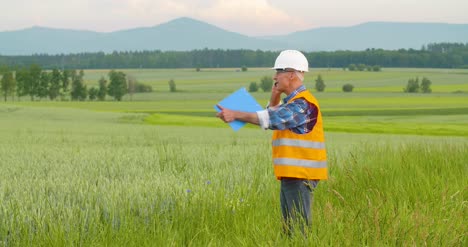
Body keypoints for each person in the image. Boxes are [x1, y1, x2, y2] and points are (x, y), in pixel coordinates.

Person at [216, 50, 328, 235]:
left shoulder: (303, 104)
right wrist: (275, 93)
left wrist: (235, 114)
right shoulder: (293, 102)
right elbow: (273, 112)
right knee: (289, 229)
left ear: (291, 74)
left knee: (297, 231)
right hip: (293, 175)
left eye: (279, 71)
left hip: (301, 175)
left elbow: (273, 119)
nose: (274, 76)